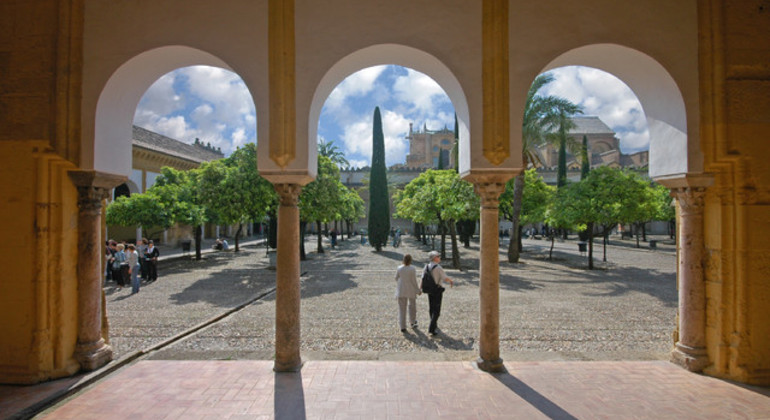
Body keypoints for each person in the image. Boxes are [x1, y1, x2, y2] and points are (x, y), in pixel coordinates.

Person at [423, 250, 454, 336]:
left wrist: (421, 288)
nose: (439, 258)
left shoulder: (426, 266)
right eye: (438, 256)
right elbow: (445, 278)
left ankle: (433, 323)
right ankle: (432, 328)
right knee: (437, 310)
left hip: (429, 289)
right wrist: (451, 281)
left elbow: (423, 278)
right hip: (437, 289)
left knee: (431, 307)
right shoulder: (438, 267)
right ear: (435, 258)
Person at [394, 254, 420, 333]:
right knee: (412, 307)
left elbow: (396, 278)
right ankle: (412, 322)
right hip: (410, 289)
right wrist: (418, 290)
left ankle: (402, 326)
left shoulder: (399, 268)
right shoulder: (412, 269)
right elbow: (414, 281)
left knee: (402, 309)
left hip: (401, 289)